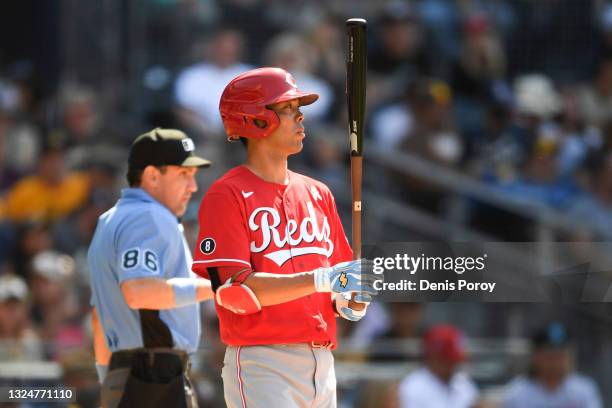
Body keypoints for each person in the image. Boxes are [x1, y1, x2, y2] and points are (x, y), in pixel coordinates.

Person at [192, 67, 377, 408]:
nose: (301, 120)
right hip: (263, 362)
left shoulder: (318, 192)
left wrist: (350, 303)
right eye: (288, 111)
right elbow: (233, 291)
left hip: (322, 363)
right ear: (256, 120)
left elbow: (337, 286)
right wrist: (323, 279)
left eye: (300, 111)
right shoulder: (227, 193)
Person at [87, 128, 214, 408]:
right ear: (152, 176)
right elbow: (139, 291)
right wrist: (218, 287)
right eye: (184, 174)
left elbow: (100, 317)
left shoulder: (109, 221)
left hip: (124, 374)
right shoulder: (150, 216)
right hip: (154, 375)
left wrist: (109, 378)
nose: (193, 187)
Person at [503, 322, 602, 408]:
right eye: (550, 356)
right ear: (535, 357)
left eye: (561, 356)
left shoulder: (583, 390)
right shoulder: (518, 393)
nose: (556, 362)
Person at [398, 324, 478, 408]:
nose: (453, 365)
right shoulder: (412, 387)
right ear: (432, 357)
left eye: (454, 361)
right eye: (448, 360)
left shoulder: (462, 382)